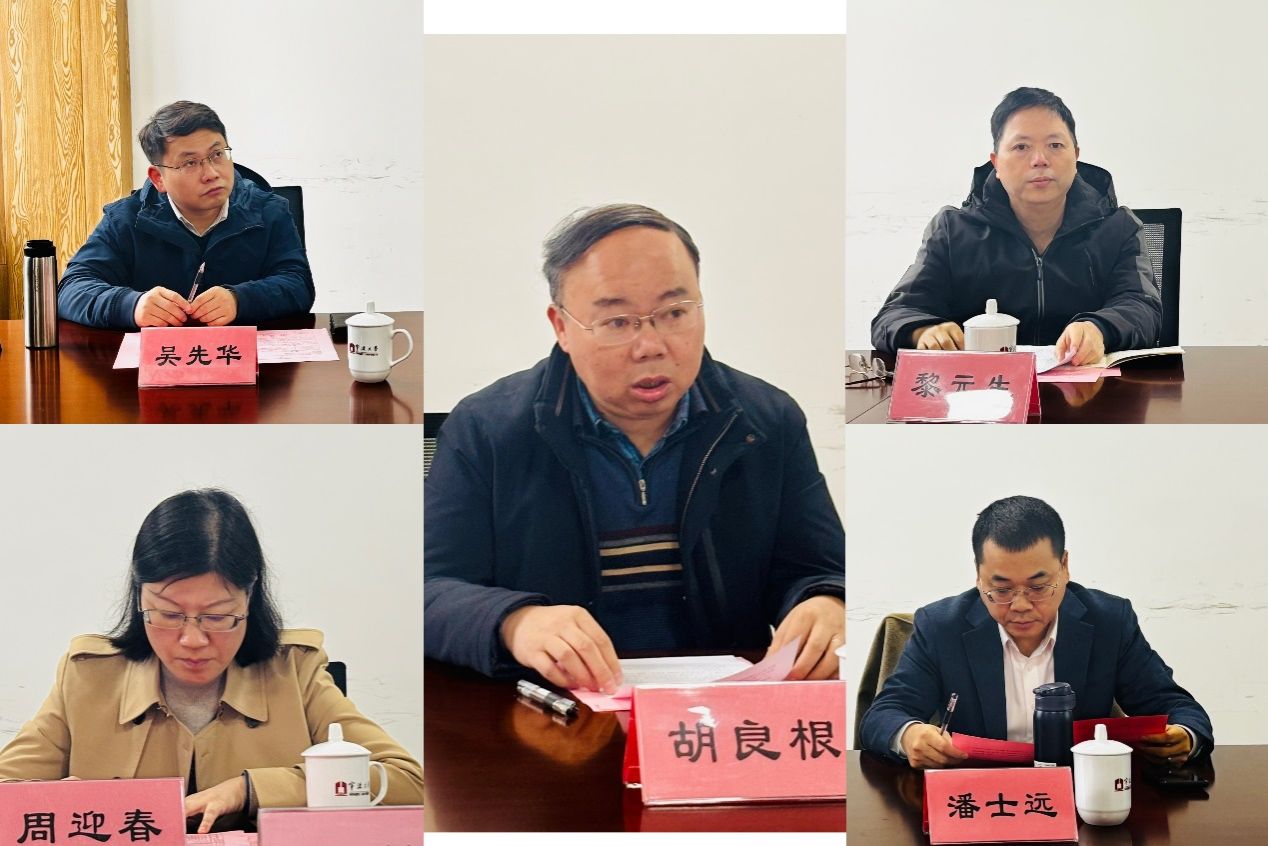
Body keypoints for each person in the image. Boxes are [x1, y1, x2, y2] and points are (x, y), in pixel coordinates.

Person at [425, 204, 845, 693]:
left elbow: (820, 568)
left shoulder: (766, 421)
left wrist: (827, 602)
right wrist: (514, 622)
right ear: (561, 327)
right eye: (617, 322)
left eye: (674, 313)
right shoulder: (487, 430)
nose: (651, 345)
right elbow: (426, 590)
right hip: (547, 712)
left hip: (715, 714)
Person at [0, 489, 423, 833]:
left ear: (249, 599)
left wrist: (249, 790)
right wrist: (58, 802)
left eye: (218, 617)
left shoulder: (295, 671)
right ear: (139, 598)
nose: (192, 640)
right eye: (168, 614)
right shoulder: (87, 676)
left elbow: (406, 780)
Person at [859, 495, 1212, 769]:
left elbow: (1177, 707)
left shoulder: (1109, 622)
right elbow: (884, 715)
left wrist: (1184, 735)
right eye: (1001, 589)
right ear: (978, 575)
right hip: (981, 797)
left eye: (1039, 587)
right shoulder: (941, 628)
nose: (1021, 605)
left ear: (1065, 566)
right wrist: (909, 735)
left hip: (1078, 796)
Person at [870, 87, 1161, 365]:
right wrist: (922, 331)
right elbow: (895, 314)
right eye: (1021, 147)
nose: (1040, 160)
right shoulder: (953, 231)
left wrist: (1099, 328)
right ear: (996, 162)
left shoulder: (1117, 228)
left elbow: (1143, 308)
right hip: (983, 392)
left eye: (1055, 145)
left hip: (1090, 391)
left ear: (1076, 155)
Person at [58, 101, 314, 330]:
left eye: (217, 154)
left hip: (245, 360)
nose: (212, 173)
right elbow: (72, 289)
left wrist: (241, 299)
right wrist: (131, 305)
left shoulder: (269, 211)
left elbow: (298, 284)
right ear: (158, 178)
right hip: (157, 362)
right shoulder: (125, 219)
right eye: (190, 163)